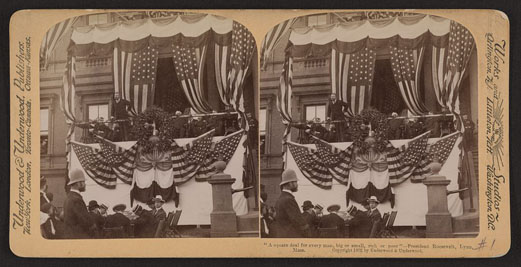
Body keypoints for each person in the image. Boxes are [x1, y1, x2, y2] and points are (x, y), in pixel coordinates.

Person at [273, 169, 309, 238]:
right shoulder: (288, 199)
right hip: (291, 237)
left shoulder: (280, 198)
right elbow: (298, 220)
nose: (297, 184)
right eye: (295, 182)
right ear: (290, 183)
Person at [63, 169, 96, 239]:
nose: (85, 184)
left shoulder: (69, 197)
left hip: (71, 235)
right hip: (79, 236)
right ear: (78, 183)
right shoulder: (76, 199)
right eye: (83, 182)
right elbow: (86, 222)